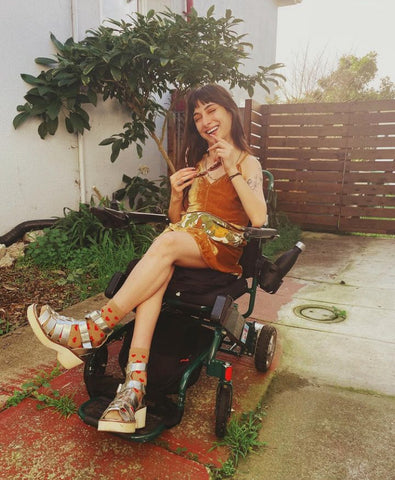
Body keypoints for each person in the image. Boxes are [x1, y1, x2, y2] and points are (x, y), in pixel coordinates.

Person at [27, 83, 267, 435]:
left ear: (230, 111)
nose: (204, 120)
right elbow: (177, 220)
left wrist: (232, 166)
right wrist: (175, 193)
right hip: (185, 240)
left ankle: (93, 329)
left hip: (223, 247)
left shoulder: (249, 162)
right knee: (157, 273)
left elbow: (258, 218)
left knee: (164, 248)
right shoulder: (199, 163)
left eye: (211, 110)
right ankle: (134, 387)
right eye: (197, 116)